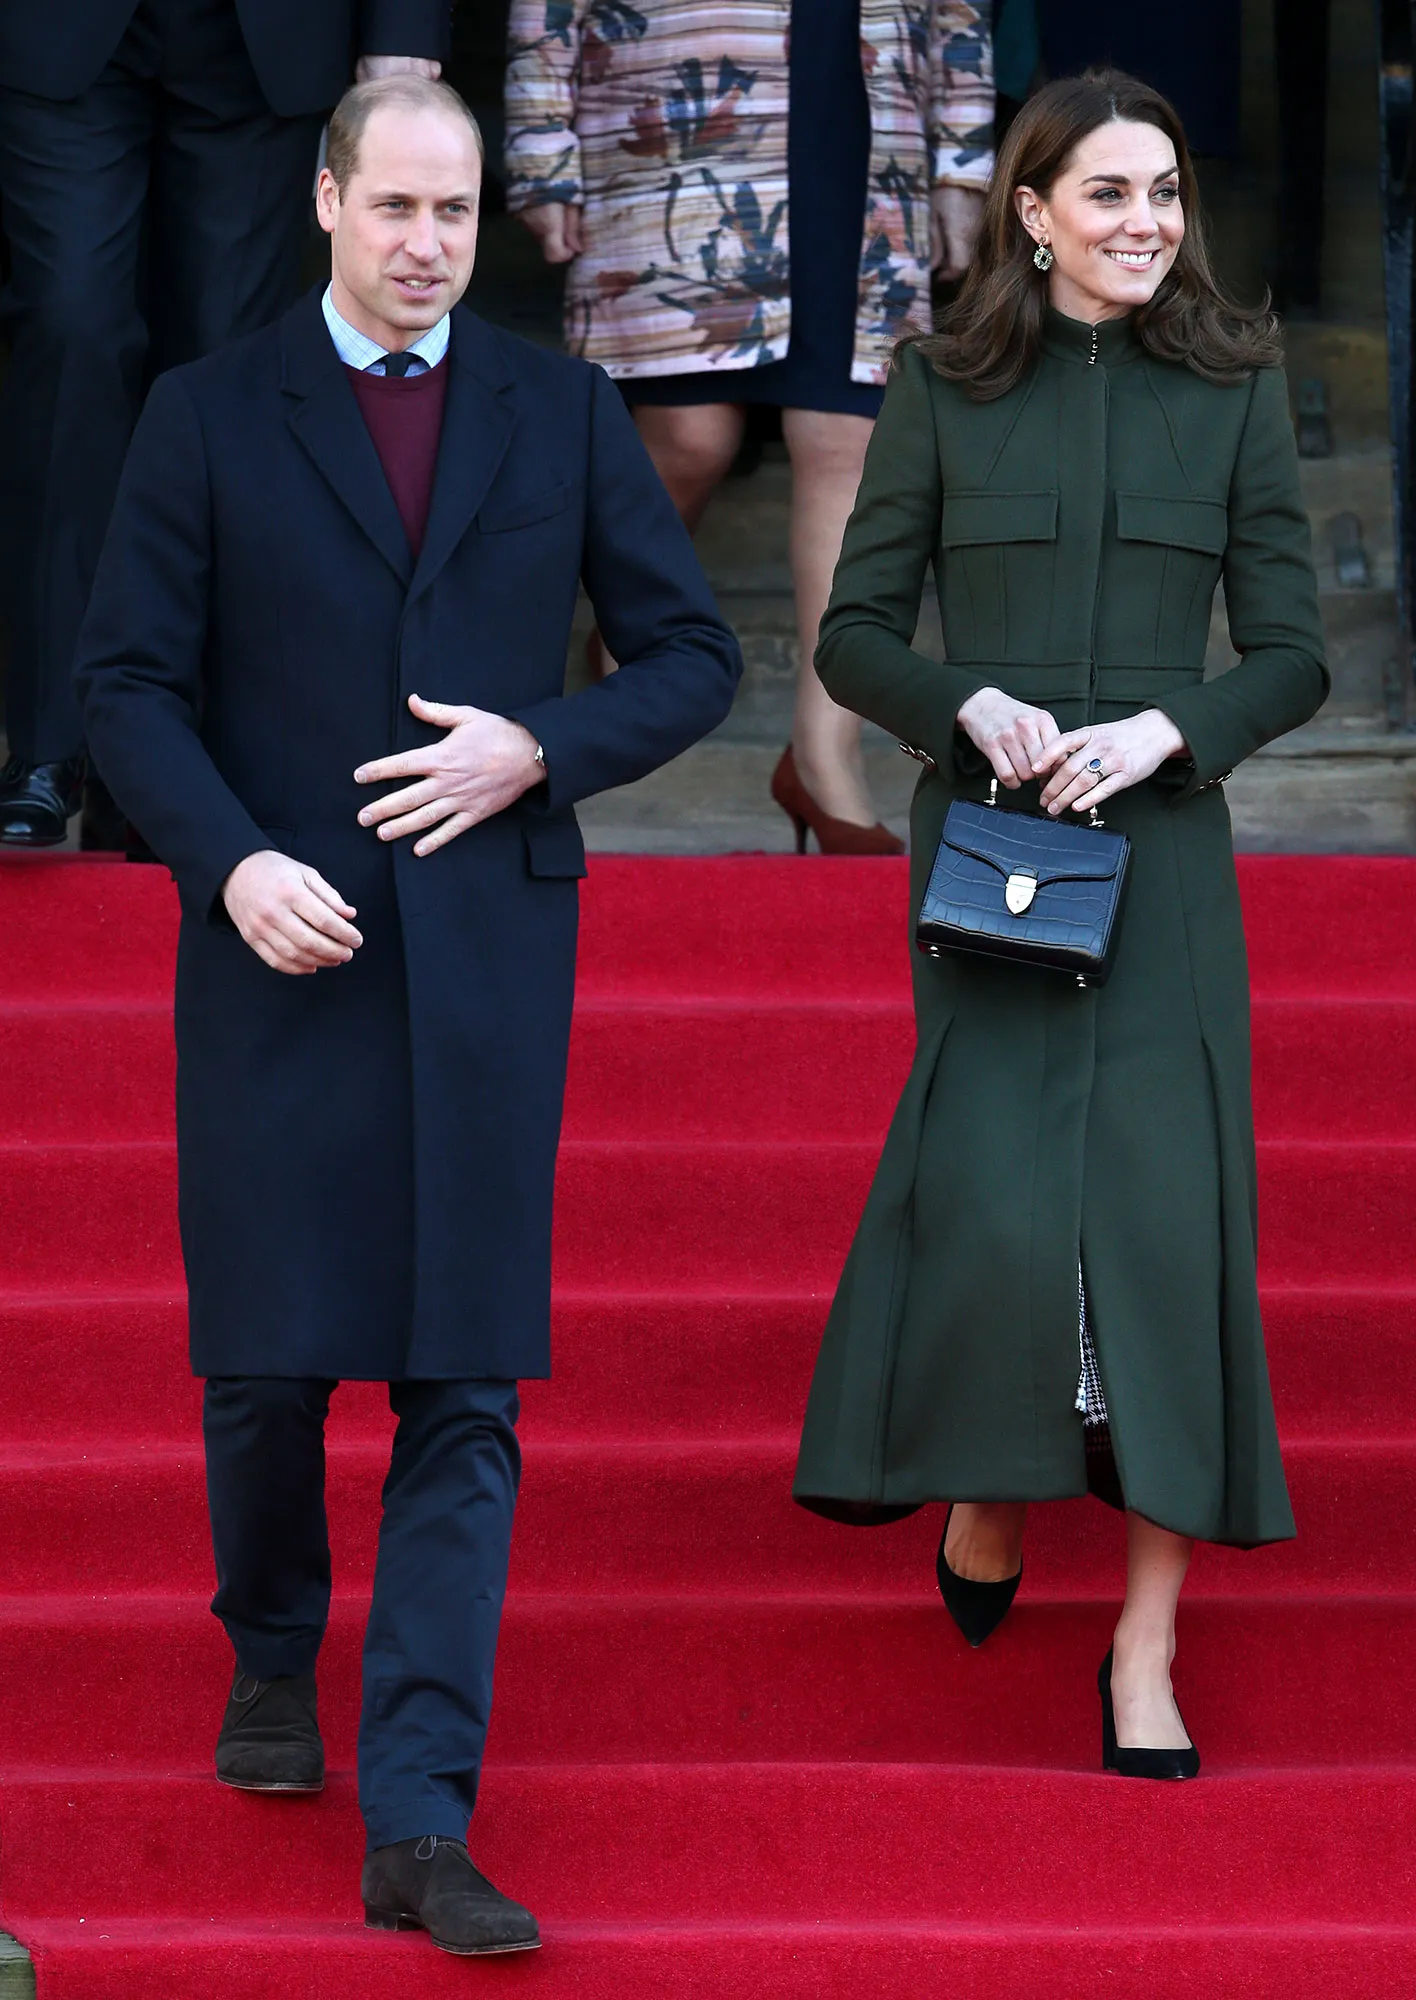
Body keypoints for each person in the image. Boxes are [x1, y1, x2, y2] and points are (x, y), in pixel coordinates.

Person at [75, 74, 741, 1952]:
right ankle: (271, 1647)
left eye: (455, 214)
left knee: (462, 1384)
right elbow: (124, 683)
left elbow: (693, 655)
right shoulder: (207, 414)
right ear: (325, 202)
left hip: (484, 970)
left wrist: (545, 745)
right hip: (279, 941)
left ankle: (423, 1816)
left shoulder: (564, 406)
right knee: (270, 1367)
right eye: (396, 209)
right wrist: (225, 865)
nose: (427, 242)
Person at [793, 70, 1328, 1775]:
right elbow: (855, 633)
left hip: (1164, 863)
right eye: (1107, 196)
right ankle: (990, 1491)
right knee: (1009, 1223)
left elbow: (1295, 650)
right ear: (1033, 212)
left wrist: (1175, 729)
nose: (1145, 225)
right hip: (996, 864)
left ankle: (1146, 1649)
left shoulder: (1236, 386)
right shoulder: (944, 387)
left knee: (1168, 1253)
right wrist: (973, 712)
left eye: (1164, 193)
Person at [504, 0, 995, 853]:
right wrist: (542, 147)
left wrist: (961, 162)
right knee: (692, 436)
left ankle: (825, 759)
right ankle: (635, 627)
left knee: (852, 442)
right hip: (676, 101)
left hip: (867, 105)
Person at [0, 0, 448, 850]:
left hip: (265, 36)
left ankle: (165, 770)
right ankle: (51, 743)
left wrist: (405, 22)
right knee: (69, 337)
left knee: (221, 380)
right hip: (55, 27)